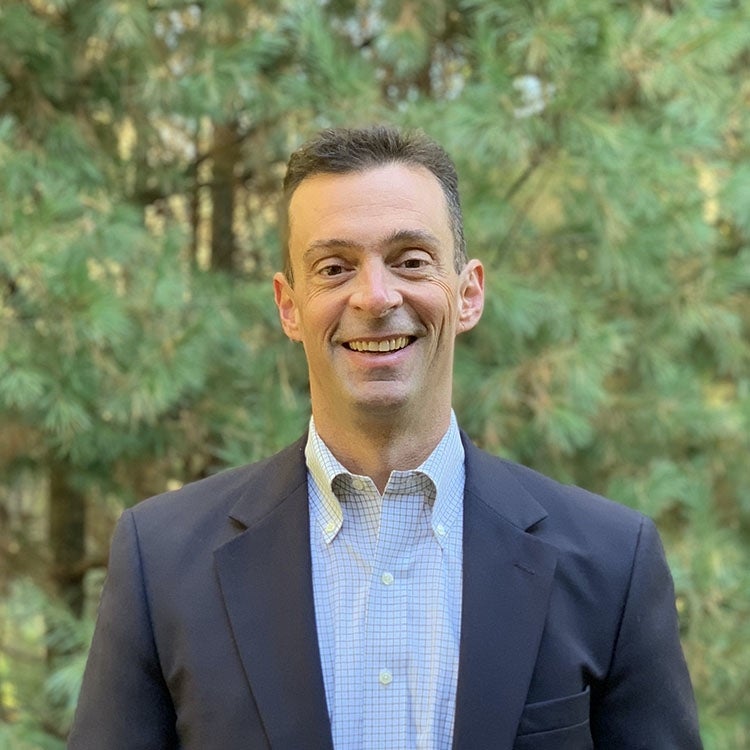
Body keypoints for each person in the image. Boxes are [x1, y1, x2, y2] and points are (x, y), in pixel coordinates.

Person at [68, 126, 702, 749]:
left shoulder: (613, 564)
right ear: (289, 305)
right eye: (335, 267)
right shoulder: (164, 564)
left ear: (468, 292)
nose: (375, 296)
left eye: (411, 261)